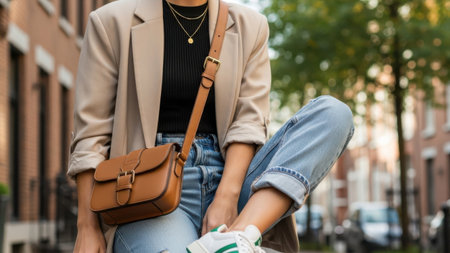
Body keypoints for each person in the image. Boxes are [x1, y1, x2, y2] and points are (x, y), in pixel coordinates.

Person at [68, 0, 354, 252]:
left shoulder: (250, 26)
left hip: (236, 177)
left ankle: (239, 237)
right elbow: (91, 134)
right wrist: (87, 227)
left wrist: (227, 198)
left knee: (334, 113)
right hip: (150, 193)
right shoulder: (110, 22)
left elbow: (248, 122)